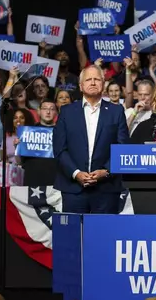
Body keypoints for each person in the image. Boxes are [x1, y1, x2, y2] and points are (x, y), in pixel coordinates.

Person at [54, 65, 129, 214]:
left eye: (97, 79)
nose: (93, 83)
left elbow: (122, 147)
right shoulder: (67, 112)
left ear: (103, 84)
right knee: (73, 236)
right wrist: (76, 173)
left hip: (106, 188)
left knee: (104, 236)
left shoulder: (116, 111)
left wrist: (106, 171)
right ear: (81, 86)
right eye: (88, 79)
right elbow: (59, 148)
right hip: (73, 188)